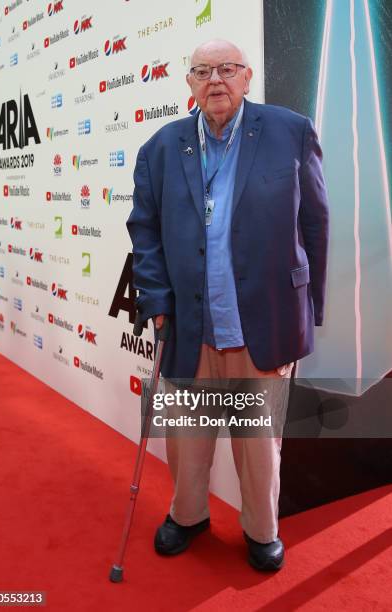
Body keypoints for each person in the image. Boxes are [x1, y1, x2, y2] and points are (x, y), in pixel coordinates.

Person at [127, 39, 329, 571]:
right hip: (188, 323)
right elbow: (144, 231)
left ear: (247, 77)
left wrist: (310, 307)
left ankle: (261, 530)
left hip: (262, 321)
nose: (215, 79)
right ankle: (187, 515)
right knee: (187, 439)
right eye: (202, 71)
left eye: (227, 69)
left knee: (259, 443)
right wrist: (156, 299)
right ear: (188, 83)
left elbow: (315, 222)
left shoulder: (291, 131)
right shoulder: (160, 149)